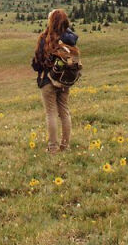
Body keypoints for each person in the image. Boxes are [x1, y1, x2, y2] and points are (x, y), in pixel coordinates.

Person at [32, 8, 78, 153]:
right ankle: (65, 146)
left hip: (48, 81)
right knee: (64, 112)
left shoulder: (44, 37)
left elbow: (37, 62)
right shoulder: (70, 39)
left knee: (51, 113)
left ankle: (53, 147)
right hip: (65, 80)